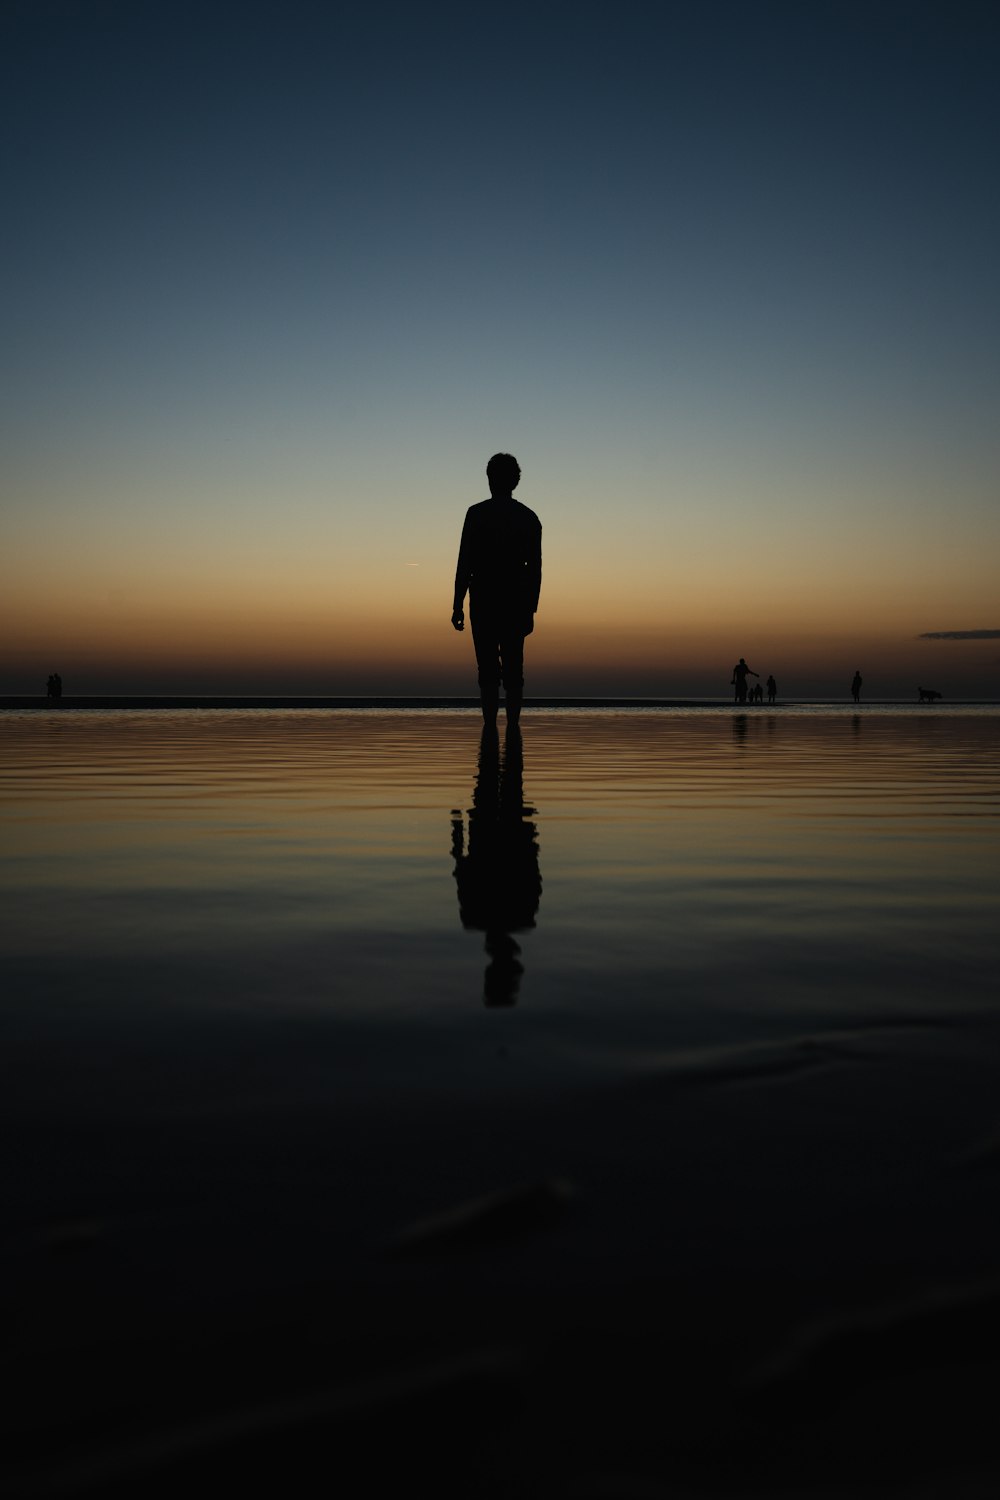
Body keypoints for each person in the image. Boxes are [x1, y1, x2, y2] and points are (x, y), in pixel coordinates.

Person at [452, 453, 541, 726]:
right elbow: (534, 571)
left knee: (491, 671)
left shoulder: (479, 514)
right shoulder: (527, 517)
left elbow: (464, 562)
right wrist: (530, 609)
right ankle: (506, 731)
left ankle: (494, 730)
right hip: (507, 605)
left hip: (490, 603)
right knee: (511, 670)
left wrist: (457, 604)